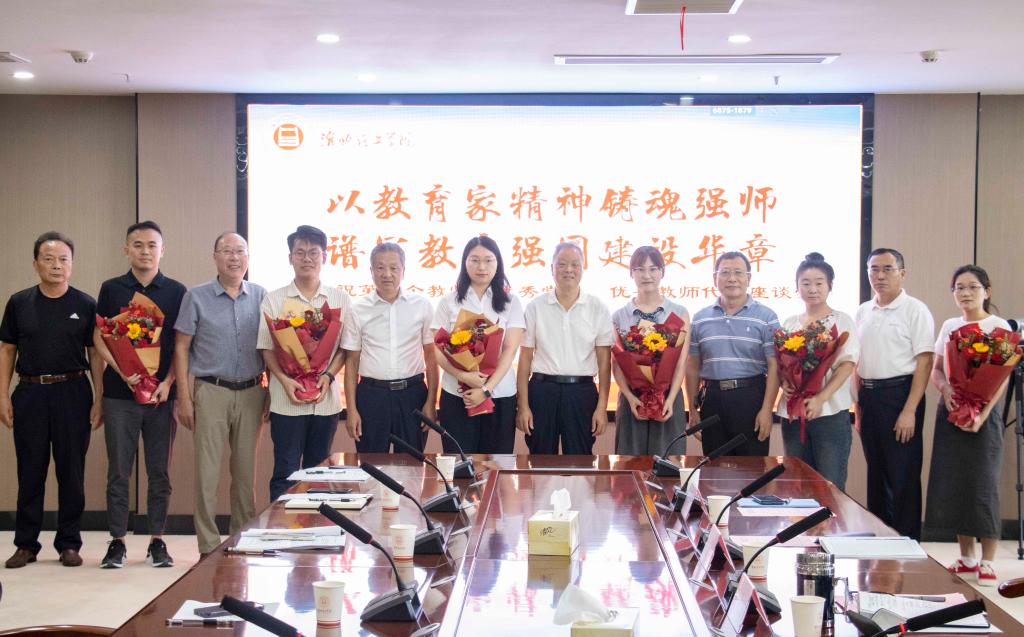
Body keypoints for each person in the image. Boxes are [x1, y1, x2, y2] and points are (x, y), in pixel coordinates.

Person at [1, 232, 103, 569]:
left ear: (72, 264)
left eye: (63, 259)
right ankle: (26, 544)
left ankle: (69, 543)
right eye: (48, 259)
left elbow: (96, 354)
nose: (56, 265)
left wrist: (99, 398)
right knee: (30, 470)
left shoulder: (85, 304)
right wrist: (2, 395)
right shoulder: (19, 303)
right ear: (35, 263)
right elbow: (7, 350)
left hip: (73, 392)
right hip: (30, 392)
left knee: (71, 471)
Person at [93, 220, 186, 568]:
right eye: (138, 245)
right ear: (126, 249)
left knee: (159, 472)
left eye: (152, 245)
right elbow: (100, 336)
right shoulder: (111, 288)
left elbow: (181, 344)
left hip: (161, 397)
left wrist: (169, 383)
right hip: (120, 395)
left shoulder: (176, 291)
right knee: (119, 471)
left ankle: (156, 540)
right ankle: (117, 541)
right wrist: (121, 371)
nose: (145, 251)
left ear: (163, 250)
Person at [173, 232, 268, 557]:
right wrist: (184, 397)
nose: (234, 257)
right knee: (207, 472)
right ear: (215, 257)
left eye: (240, 251)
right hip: (211, 391)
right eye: (227, 251)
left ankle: (241, 538)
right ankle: (208, 545)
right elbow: (181, 347)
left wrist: (270, 389)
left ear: (248, 257)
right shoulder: (196, 296)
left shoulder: (260, 295)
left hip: (252, 391)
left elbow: (270, 347)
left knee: (245, 473)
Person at [925, 265, 1009, 585]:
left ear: (987, 291)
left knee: (983, 485)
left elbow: (1001, 378)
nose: (965, 293)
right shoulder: (950, 325)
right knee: (956, 483)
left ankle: (988, 561)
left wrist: (982, 415)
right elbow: (937, 370)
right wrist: (946, 390)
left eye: (973, 287)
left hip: (984, 417)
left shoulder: (998, 326)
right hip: (951, 412)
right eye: (959, 288)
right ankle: (967, 557)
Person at [257, 225, 348, 501]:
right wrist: (285, 381)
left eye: (313, 253)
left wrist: (328, 376)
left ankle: (316, 525)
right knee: (285, 472)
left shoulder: (339, 299)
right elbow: (266, 348)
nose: (307, 258)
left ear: (325, 257)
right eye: (300, 253)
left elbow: (345, 349)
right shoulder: (274, 300)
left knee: (318, 472)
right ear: (290, 258)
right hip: (286, 401)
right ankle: (280, 526)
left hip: (325, 401)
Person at [854, 247, 934, 540]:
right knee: (876, 472)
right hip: (869, 398)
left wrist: (909, 410)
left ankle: (907, 542)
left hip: (900, 396)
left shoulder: (915, 309)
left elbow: (925, 361)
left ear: (902, 273)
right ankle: (881, 539)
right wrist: (858, 408)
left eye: (887, 269)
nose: (880, 275)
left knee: (903, 474)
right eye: (874, 269)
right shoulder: (863, 311)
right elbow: (857, 361)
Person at [516, 241, 614, 454]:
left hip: (581, 393)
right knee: (539, 459)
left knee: (580, 460)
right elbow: (524, 361)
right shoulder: (535, 307)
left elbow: (605, 363)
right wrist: (523, 406)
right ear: (551, 268)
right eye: (561, 264)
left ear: (582, 269)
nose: (568, 269)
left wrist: (602, 408)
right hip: (542, 392)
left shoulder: (597, 308)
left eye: (575, 264)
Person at [342, 242, 438, 453]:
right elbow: (351, 362)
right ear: (371, 271)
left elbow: (431, 358)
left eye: (394, 268)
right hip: (372, 396)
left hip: (412, 395)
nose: (387, 274)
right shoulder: (358, 309)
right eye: (380, 268)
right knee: (371, 463)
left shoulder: (422, 306)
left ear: (403, 270)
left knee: (412, 464)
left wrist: (431, 402)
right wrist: (351, 409)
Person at [432, 236, 524, 454]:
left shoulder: (511, 302)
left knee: (496, 464)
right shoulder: (449, 301)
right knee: (460, 464)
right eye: (474, 260)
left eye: (488, 260)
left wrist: (485, 389)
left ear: (498, 263)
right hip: (458, 395)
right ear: (464, 263)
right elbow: (437, 348)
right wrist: (463, 375)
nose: (481, 267)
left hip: (499, 394)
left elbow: (510, 350)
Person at [684, 252, 780, 456]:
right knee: (714, 466)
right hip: (711, 399)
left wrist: (767, 410)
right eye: (725, 272)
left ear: (749, 278)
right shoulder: (700, 319)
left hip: (751, 397)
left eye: (738, 272)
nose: (732, 278)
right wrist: (692, 409)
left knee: (752, 467)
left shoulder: (767, 317)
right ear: (715, 278)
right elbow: (692, 365)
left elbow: (775, 366)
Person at [777, 253, 859, 490]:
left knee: (829, 484)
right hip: (793, 414)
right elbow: (781, 365)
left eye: (819, 283)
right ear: (797, 287)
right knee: (796, 482)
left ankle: (830, 518)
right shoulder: (790, 323)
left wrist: (821, 398)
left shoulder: (842, 321)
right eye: (805, 283)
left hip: (830, 413)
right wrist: (785, 382)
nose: (812, 289)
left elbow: (847, 365)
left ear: (830, 285)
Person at [609, 246, 691, 455]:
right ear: (631, 273)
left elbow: (681, 362)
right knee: (630, 463)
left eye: (653, 269)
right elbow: (616, 364)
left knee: (668, 463)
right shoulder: (619, 316)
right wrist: (630, 397)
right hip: (633, 398)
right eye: (640, 269)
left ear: (662, 272)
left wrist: (670, 399)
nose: (647, 275)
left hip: (668, 397)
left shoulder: (679, 312)